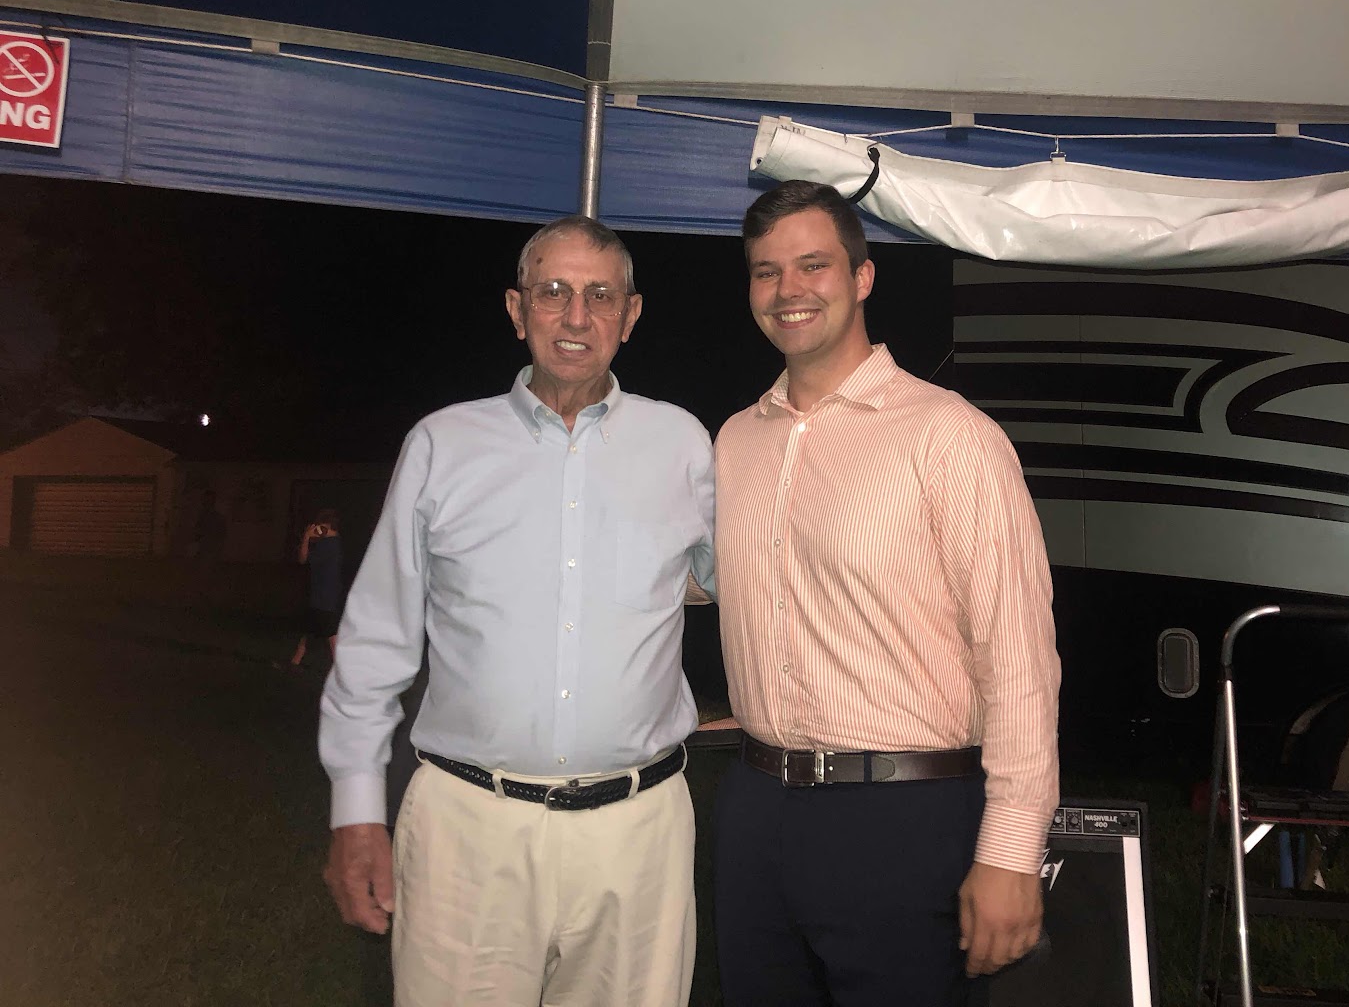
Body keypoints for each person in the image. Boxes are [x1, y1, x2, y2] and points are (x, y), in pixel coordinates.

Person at [318, 215, 715, 1007]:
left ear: (631, 315)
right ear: (516, 307)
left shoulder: (683, 444)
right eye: (553, 291)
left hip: (639, 835)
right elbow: (376, 639)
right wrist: (355, 810)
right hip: (468, 830)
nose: (577, 316)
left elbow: (753, 587)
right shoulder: (442, 445)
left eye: (601, 295)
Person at [712, 180, 1061, 1006]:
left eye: (813, 265)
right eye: (766, 272)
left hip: (905, 818)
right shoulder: (734, 440)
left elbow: (1018, 656)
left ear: (862, 277)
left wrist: (1011, 850)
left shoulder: (949, 435)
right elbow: (711, 579)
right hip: (756, 810)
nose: (788, 290)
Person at [291, 508, 344, 668]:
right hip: (322, 595)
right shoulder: (332, 543)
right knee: (310, 629)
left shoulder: (329, 545)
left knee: (330, 633)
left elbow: (303, 559)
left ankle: (340, 668)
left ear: (327, 526)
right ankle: (295, 661)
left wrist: (307, 537)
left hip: (324, 597)